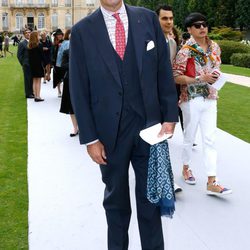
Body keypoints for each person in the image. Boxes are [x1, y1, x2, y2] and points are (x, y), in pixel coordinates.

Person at [70, 1, 178, 249]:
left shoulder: (148, 18)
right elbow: (78, 87)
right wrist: (90, 138)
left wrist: (170, 116)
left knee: (151, 201)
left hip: (150, 129)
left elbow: (163, 70)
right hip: (109, 135)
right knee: (116, 204)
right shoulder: (82, 31)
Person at [173, 13, 232, 196]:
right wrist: (200, 78)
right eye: (197, 25)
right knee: (189, 137)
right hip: (191, 98)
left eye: (204, 24)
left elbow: (217, 67)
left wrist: (215, 76)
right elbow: (175, 76)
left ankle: (211, 181)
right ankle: (185, 168)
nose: (201, 28)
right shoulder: (186, 50)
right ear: (189, 29)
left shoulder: (215, 46)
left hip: (211, 97)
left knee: (210, 139)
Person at [156, 4, 182, 193]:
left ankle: (162, 178)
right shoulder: (147, 42)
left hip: (166, 98)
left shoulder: (173, 44)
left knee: (162, 139)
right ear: (156, 20)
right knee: (158, 140)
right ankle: (166, 180)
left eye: (171, 18)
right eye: (165, 18)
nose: (169, 22)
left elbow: (170, 74)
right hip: (149, 100)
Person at [27, 31, 45, 102]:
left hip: (32, 65)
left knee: (34, 81)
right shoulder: (39, 45)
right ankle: (38, 96)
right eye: (38, 35)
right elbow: (42, 56)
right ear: (35, 36)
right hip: (38, 65)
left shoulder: (29, 46)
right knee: (38, 81)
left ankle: (35, 95)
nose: (39, 36)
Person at [17, 28, 34, 98]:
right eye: (26, 33)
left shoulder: (33, 42)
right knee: (27, 79)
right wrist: (23, 63)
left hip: (33, 64)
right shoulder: (22, 43)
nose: (28, 34)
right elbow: (19, 55)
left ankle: (32, 92)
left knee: (32, 78)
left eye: (29, 32)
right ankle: (28, 94)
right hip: (26, 64)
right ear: (24, 35)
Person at [52, 29, 64, 97]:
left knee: (64, 77)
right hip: (56, 62)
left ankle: (64, 91)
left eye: (60, 35)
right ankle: (59, 91)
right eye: (58, 35)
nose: (59, 36)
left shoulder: (65, 42)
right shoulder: (54, 43)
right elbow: (52, 53)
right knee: (58, 77)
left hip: (63, 62)